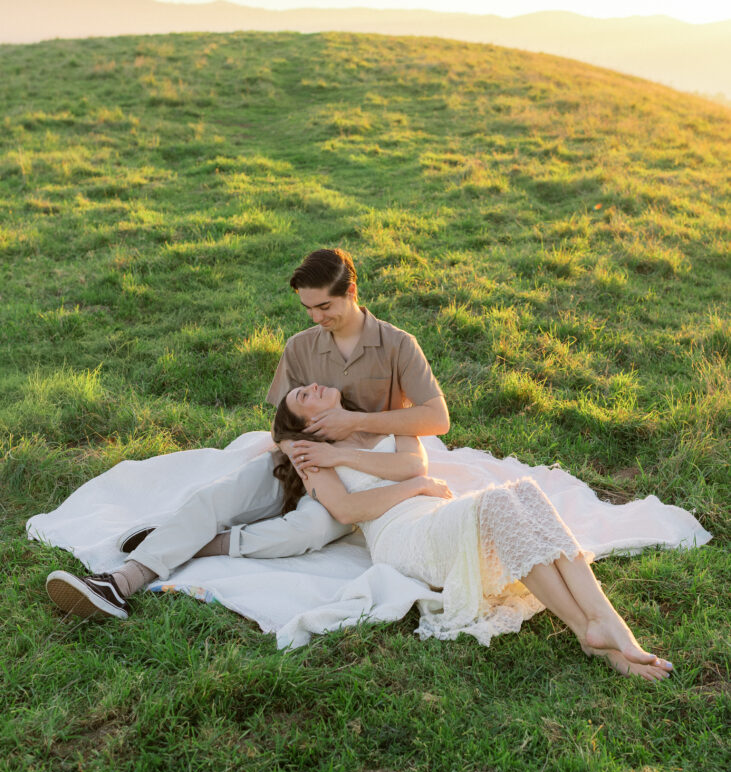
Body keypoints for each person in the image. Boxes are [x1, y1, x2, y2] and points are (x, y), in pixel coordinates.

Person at [45, 248, 449, 621]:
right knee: (218, 497)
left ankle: (192, 542)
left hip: (361, 469)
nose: (316, 318)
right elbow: (281, 423)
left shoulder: (398, 345)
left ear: (352, 291)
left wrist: (354, 424)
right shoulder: (300, 347)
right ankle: (119, 582)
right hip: (301, 457)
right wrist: (304, 461)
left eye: (324, 306)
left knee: (307, 531)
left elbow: (436, 418)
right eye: (308, 308)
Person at [272, 382, 676, 682]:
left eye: (305, 388)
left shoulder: (388, 423)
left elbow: (415, 467)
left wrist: (343, 453)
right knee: (501, 502)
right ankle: (589, 628)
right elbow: (346, 510)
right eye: (302, 398)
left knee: (525, 493)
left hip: (436, 515)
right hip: (402, 538)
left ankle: (602, 623)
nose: (311, 387)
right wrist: (412, 487)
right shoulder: (311, 458)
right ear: (307, 426)